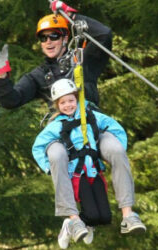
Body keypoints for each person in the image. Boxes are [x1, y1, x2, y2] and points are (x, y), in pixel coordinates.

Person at [32, 78, 146, 248]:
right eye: (63, 103)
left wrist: (118, 152)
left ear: (77, 100)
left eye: (71, 101)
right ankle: (71, 223)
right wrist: (48, 167)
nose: (68, 105)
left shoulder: (91, 116)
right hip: (78, 174)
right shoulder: (57, 125)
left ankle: (121, 218)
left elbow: (115, 127)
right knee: (92, 214)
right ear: (58, 105)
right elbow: (38, 146)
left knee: (106, 218)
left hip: (95, 170)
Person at [0, 1, 111, 109]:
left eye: (54, 36)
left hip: (93, 127)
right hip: (63, 133)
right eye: (43, 38)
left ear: (65, 38)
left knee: (112, 141)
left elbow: (104, 35)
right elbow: (11, 101)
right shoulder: (39, 75)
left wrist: (71, 16)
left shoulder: (84, 60)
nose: (48, 42)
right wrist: (2, 74)